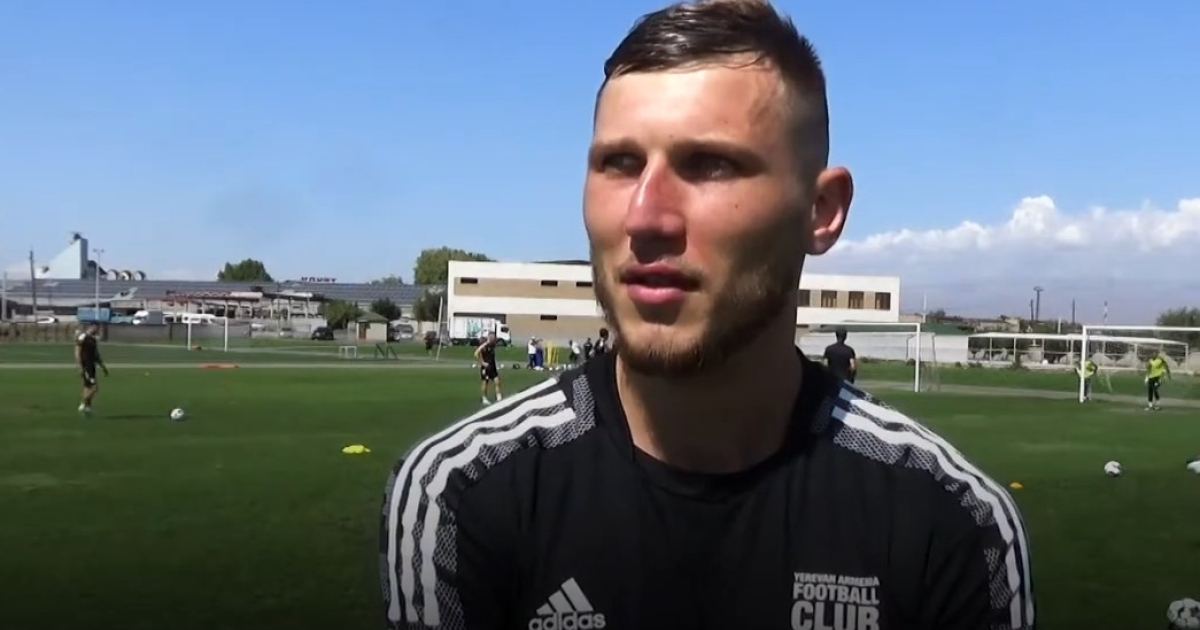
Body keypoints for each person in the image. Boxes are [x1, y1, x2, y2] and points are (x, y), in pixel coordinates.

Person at [381, 1, 1034, 629]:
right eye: (619, 163)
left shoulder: (953, 520)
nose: (644, 217)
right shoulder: (462, 492)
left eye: (710, 165)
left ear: (821, 211)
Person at [75, 323, 108, 416]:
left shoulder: (93, 339)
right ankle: (83, 404)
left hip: (91, 366)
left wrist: (103, 366)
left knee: (87, 387)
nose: (97, 330)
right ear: (91, 327)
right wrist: (80, 366)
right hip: (85, 366)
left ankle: (88, 407)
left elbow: (96, 355)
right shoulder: (83, 336)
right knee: (94, 388)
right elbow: (77, 351)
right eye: (96, 328)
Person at [474, 331, 503, 405]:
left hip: (493, 367)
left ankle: (498, 396)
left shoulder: (493, 345)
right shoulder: (485, 345)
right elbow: (476, 353)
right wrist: (482, 363)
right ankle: (484, 398)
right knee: (485, 383)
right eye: (493, 337)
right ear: (490, 337)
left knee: (497, 381)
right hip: (486, 368)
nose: (494, 338)